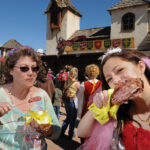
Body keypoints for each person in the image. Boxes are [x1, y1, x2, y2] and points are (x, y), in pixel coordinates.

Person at [77, 48, 150, 150]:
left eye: (120, 70)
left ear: (141, 67)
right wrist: (96, 107)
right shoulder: (118, 107)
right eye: (109, 79)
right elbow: (81, 132)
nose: (115, 81)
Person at [0, 47, 61, 149]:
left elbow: (56, 132)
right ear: (10, 70)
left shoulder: (42, 95)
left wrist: (45, 128)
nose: (31, 73)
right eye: (24, 68)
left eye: (34, 68)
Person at [61, 67, 80, 140]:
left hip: (66, 100)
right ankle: (70, 134)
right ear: (76, 74)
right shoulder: (77, 83)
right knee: (73, 119)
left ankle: (62, 131)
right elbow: (80, 93)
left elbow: (64, 90)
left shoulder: (66, 81)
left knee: (68, 117)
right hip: (73, 101)